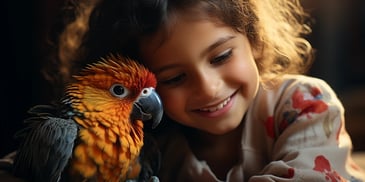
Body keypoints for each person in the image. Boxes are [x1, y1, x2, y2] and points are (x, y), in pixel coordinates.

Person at [2, 0, 365, 181]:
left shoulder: (305, 103)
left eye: (221, 56)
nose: (208, 88)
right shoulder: (158, 148)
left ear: (253, 40)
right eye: (174, 79)